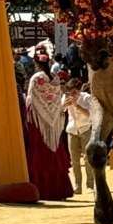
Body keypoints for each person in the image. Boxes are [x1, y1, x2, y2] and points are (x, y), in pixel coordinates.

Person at [23, 52, 73, 200]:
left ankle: (43, 189)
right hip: (55, 120)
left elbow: (31, 99)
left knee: (39, 152)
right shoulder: (55, 79)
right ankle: (59, 190)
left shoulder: (36, 78)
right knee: (54, 152)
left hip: (38, 121)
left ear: (36, 63)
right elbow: (57, 100)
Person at [62, 78, 95, 193]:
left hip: (85, 129)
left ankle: (90, 184)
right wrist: (64, 105)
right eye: (70, 92)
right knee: (74, 160)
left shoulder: (86, 98)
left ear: (79, 90)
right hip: (72, 130)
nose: (72, 95)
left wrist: (77, 106)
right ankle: (78, 185)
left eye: (74, 92)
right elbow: (61, 111)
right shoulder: (66, 97)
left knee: (87, 159)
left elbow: (90, 115)